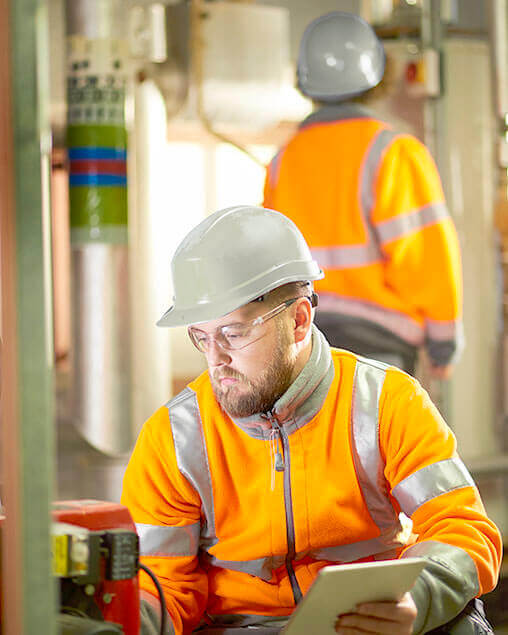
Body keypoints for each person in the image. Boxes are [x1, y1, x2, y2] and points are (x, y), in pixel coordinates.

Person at [121, 205, 501, 635]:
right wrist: (124, 622)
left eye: (233, 333)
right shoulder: (172, 439)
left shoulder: (387, 402)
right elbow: (161, 584)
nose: (215, 360)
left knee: (463, 623)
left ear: (299, 320)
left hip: (368, 625)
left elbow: (462, 528)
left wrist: (419, 597)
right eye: (201, 337)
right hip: (243, 629)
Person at [263, 11, 463, 379]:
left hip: (305, 343)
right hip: (380, 345)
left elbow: (271, 263)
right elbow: (426, 257)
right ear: (378, 75)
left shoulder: (283, 161)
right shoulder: (393, 152)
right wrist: (443, 343)